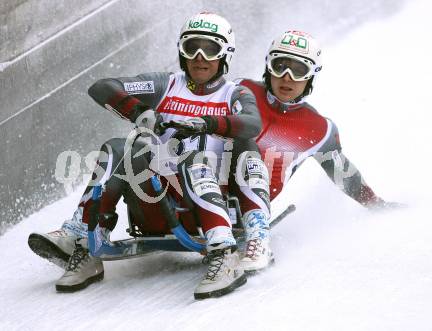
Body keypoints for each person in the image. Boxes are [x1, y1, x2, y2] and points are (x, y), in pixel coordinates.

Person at [28, 12, 267, 299]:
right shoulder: (165, 84)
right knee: (118, 147)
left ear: (225, 54)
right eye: (192, 47)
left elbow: (253, 123)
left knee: (194, 159)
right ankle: (83, 237)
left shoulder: (235, 94)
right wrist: (140, 113)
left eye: (211, 49)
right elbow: (102, 87)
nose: (200, 57)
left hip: (206, 206)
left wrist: (207, 124)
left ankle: (225, 255)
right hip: (156, 198)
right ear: (181, 51)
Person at [234, 30, 399, 274]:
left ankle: (255, 238)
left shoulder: (318, 128)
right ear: (268, 67)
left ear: (311, 76)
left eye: (298, 70)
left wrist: (375, 204)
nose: (287, 78)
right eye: (280, 66)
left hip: (243, 208)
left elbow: (343, 174)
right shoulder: (241, 90)